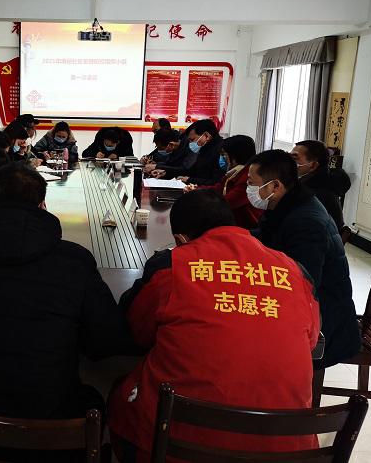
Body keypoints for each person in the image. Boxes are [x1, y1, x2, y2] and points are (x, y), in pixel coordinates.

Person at [108, 190, 320, 463]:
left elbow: (139, 331)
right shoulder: (294, 271)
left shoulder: (171, 267)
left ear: (180, 239)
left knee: (120, 393)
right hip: (286, 450)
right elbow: (311, 341)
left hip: (174, 447)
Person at [0, 162, 136, 434]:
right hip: (50, 427)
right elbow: (104, 342)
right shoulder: (74, 261)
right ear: (42, 205)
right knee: (97, 394)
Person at [248, 149, 360, 369]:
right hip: (308, 304)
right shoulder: (288, 203)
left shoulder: (306, 222)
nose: (248, 190)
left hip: (325, 322)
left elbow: (302, 285)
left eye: (251, 184)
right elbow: (264, 237)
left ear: (275, 186)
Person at [187, 135, 263, 229]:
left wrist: (197, 196)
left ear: (235, 156)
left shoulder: (248, 179)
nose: (222, 158)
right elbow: (219, 188)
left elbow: (225, 203)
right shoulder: (234, 172)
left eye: (224, 155)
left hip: (244, 228)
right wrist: (196, 189)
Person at [290, 140, 350, 230]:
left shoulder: (314, 195)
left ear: (313, 165)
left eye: (294, 158)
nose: (288, 162)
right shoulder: (317, 184)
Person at [151, 119, 224, 185]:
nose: (190, 144)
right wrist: (165, 173)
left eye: (192, 140)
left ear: (206, 136)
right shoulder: (204, 149)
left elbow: (216, 182)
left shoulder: (221, 151)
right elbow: (192, 171)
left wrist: (189, 180)